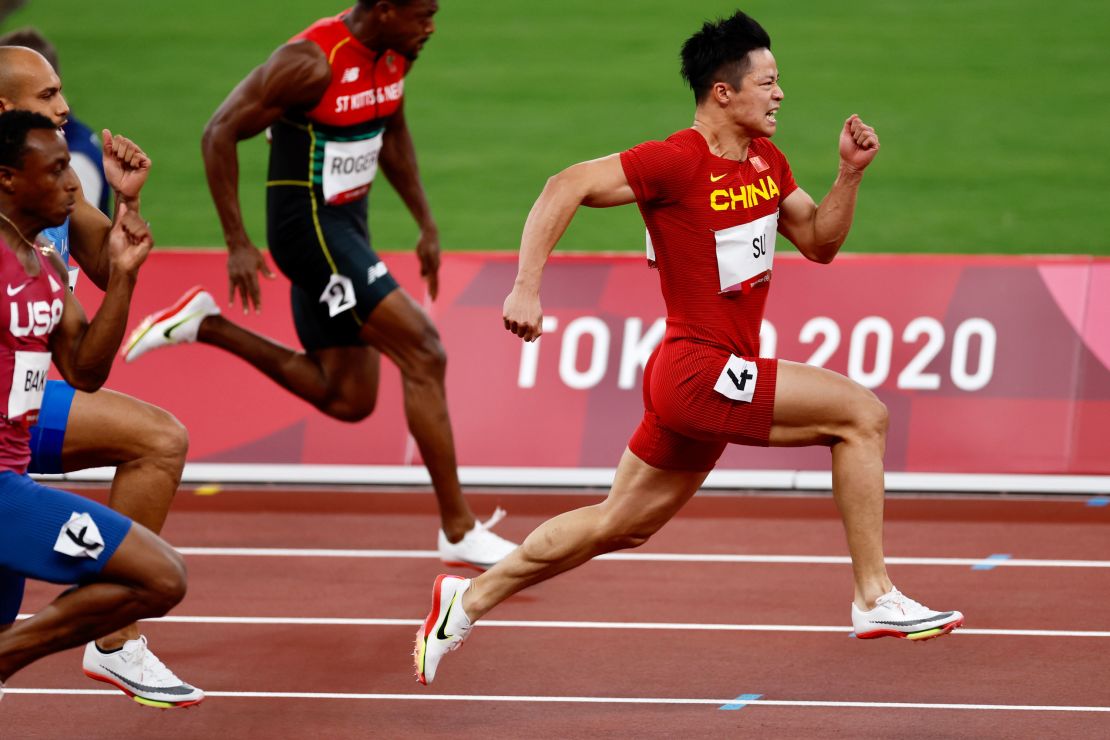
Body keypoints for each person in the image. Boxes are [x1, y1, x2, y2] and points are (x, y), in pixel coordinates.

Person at [414, 10, 964, 684]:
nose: (780, 94)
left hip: (704, 378)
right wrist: (527, 287)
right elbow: (566, 184)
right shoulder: (675, 161)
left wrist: (849, 175)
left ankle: (462, 604)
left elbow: (819, 241)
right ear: (722, 93)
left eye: (778, 81)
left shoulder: (766, 161)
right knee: (861, 414)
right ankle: (874, 596)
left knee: (620, 524)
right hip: (698, 369)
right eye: (767, 82)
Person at [123, 0, 515, 569]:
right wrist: (237, 242)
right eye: (423, 15)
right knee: (424, 352)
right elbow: (218, 132)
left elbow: (394, 130)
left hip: (346, 226)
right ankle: (457, 528)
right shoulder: (310, 62)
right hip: (305, 229)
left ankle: (206, 325)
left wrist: (425, 222)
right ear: (383, 10)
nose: (432, 27)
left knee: (348, 397)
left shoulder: (395, 53)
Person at [0, 46, 201, 706]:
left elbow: (87, 351)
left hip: (18, 423)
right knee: (156, 567)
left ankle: (112, 640)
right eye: (50, 95)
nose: (66, 108)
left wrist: (126, 209)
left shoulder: (43, 226)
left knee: (158, 439)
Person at [0, 27, 111, 214]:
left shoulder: (70, 162)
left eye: (58, 91)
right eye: (46, 96)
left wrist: (129, 202)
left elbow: (91, 237)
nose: (64, 108)